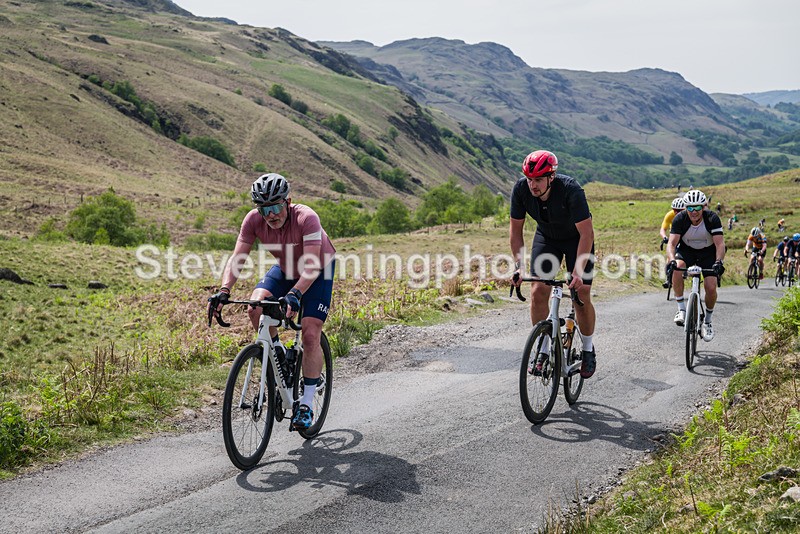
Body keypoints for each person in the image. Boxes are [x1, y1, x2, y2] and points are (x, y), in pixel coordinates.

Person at [208, 173, 336, 431]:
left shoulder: (306, 217)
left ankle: (307, 404)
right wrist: (223, 290)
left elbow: (311, 266)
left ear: (289, 202)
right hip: (286, 268)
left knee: (310, 333)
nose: (271, 214)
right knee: (255, 307)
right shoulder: (253, 220)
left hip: (318, 270)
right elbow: (237, 258)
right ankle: (277, 352)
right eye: (264, 209)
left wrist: (296, 294)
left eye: (276, 207)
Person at [509, 150, 597, 378]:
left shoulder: (571, 190)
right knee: (538, 290)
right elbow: (515, 230)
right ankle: (543, 350)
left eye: (538, 179)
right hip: (547, 238)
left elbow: (587, 234)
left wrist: (577, 272)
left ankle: (587, 349)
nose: (532, 185)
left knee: (582, 294)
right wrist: (519, 266)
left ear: (551, 177)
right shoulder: (520, 190)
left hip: (577, 239)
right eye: (529, 179)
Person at [666, 189, 726, 342]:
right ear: (686, 208)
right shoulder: (680, 219)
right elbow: (672, 244)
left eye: (697, 207)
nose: (694, 212)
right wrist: (672, 259)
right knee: (677, 268)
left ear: (703, 207)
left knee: (711, 286)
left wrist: (719, 262)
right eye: (690, 208)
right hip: (687, 251)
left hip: (708, 253)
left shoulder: (712, 218)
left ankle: (708, 321)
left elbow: (720, 244)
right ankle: (681, 309)